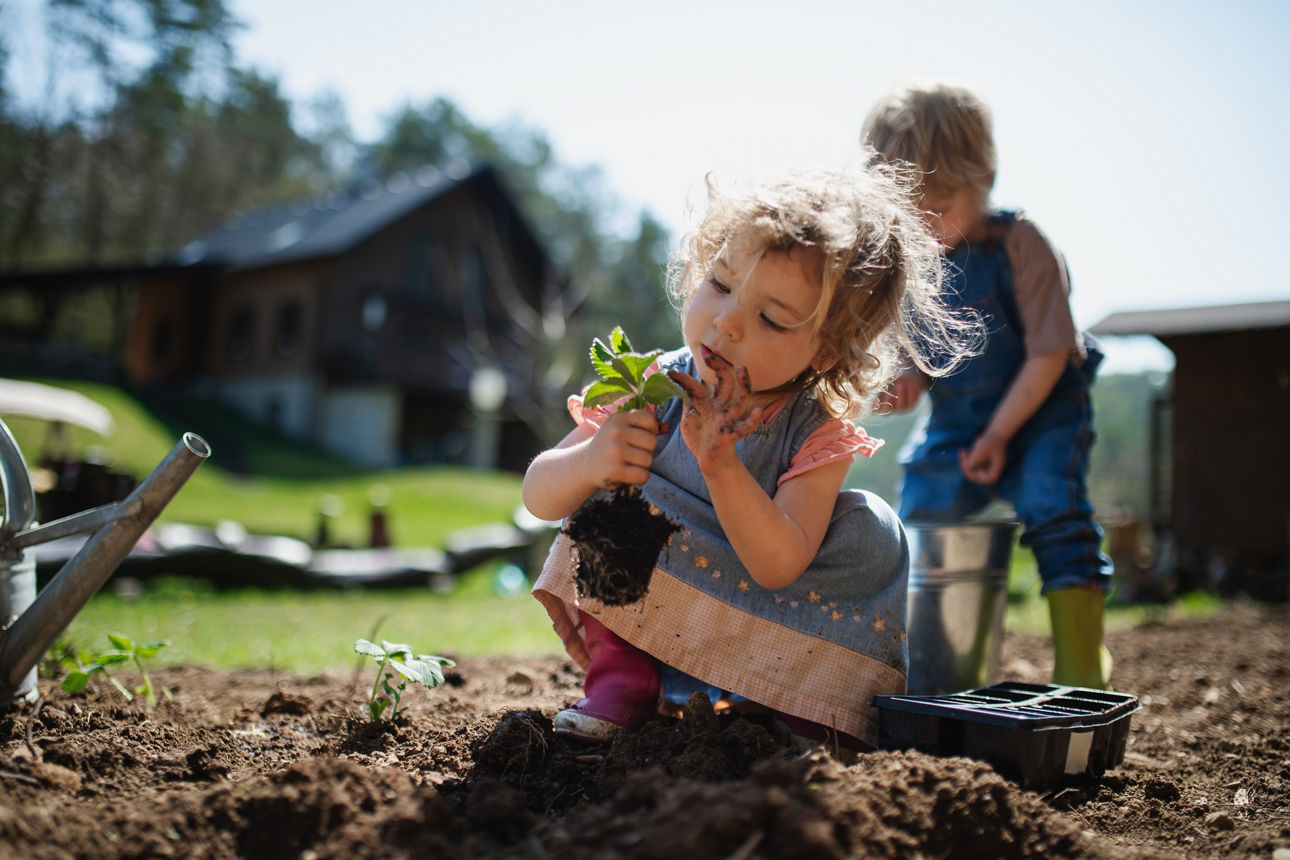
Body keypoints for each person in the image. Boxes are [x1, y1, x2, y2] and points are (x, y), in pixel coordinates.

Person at [524, 166, 977, 749]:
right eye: (719, 282)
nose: (726, 321)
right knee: (610, 499)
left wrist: (721, 466)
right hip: (656, 597)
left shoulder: (816, 434)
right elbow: (539, 495)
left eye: (770, 318)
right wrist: (589, 461)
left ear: (825, 350)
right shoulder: (651, 385)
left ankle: (799, 704)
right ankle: (624, 683)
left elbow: (777, 564)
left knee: (875, 530)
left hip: (766, 600)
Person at [861, 83, 1114, 689]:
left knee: (1056, 509)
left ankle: (1083, 663)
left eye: (941, 203)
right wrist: (902, 385)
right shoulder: (911, 268)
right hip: (957, 420)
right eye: (907, 213)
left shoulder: (1021, 244)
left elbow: (1051, 353)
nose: (924, 224)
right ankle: (928, 666)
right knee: (920, 517)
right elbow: (915, 361)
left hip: (1041, 412)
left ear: (982, 180)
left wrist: (1001, 434)